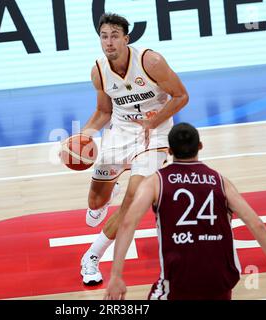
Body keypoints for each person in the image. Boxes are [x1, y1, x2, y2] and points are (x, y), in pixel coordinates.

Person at [104, 122, 266, 300]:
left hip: (179, 280)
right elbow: (257, 225)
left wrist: (116, 275)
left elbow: (128, 222)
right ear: (200, 146)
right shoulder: (220, 181)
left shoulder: (155, 182)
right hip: (220, 280)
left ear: (170, 151)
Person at [78, 13, 189, 285]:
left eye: (115, 36)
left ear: (126, 39)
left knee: (133, 199)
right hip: (121, 132)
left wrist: (156, 121)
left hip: (156, 134)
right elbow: (103, 111)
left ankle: (92, 256)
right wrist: (81, 139)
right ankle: (108, 190)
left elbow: (181, 95)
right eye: (104, 37)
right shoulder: (98, 71)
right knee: (95, 205)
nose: (109, 42)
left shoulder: (150, 61)